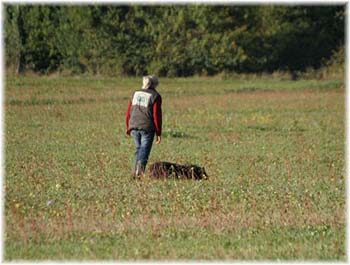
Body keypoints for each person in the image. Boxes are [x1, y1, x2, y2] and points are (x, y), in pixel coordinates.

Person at [125, 75, 162, 179]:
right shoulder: (155, 96)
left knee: (139, 149)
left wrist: (128, 126)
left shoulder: (134, 94)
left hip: (133, 125)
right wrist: (158, 133)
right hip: (147, 127)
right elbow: (156, 115)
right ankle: (139, 173)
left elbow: (128, 112)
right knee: (144, 151)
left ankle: (134, 172)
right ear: (154, 84)